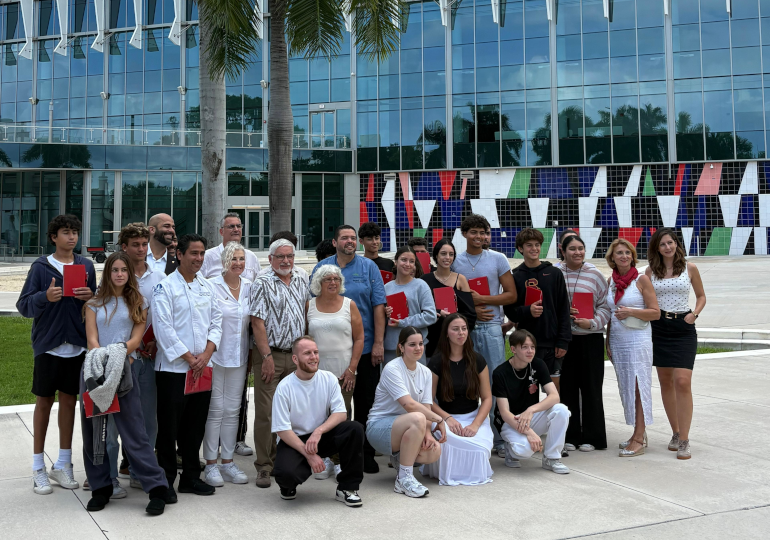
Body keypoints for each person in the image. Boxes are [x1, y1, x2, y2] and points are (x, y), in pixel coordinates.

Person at [81, 252, 170, 514]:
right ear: (107, 273)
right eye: (114, 270)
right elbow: (92, 340)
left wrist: (120, 357)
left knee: (136, 433)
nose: (119, 274)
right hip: (95, 373)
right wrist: (105, 362)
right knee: (95, 434)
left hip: (125, 371)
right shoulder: (94, 304)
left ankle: (156, 487)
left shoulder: (138, 302)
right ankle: (101, 487)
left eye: (123, 270)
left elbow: (136, 338)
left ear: (129, 274)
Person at [17, 214, 96, 495]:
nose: (72, 237)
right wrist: (43, 298)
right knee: (43, 403)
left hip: (77, 346)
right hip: (48, 346)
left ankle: (63, 463)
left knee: (68, 403)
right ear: (53, 237)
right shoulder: (41, 267)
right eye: (65, 232)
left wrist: (90, 297)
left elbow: (97, 304)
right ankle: (38, 467)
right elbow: (23, 306)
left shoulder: (86, 265)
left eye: (75, 231)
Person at [313, 225, 386, 474]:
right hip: (330, 355)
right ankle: (330, 455)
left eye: (353, 238)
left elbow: (378, 306)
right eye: (344, 238)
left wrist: (378, 343)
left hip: (364, 351)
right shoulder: (322, 268)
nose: (350, 241)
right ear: (335, 242)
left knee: (365, 404)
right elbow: (311, 303)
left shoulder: (369, 268)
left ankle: (364, 454)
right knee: (331, 408)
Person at [152, 233, 222, 496]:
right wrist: (189, 358)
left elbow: (217, 323)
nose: (199, 259)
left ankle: (191, 477)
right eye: (194, 253)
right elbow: (163, 328)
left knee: (195, 427)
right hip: (173, 370)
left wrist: (206, 354)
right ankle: (166, 481)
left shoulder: (207, 287)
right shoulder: (165, 287)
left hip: (203, 368)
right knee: (169, 429)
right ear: (179, 254)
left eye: (202, 253)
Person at [272, 336, 365, 506]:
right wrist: (310, 456)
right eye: (307, 353)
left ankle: (347, 487)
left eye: (315, 352)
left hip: (321, 437)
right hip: (295, 440)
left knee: (354, 429)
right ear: (295, 358)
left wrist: (318, 431)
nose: (314, 357)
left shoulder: (328, 378)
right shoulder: (284, 387)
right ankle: (288, 485)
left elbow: (341, 413)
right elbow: (282, 430)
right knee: (286, 476)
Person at [452, 214, 516, 457]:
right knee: (466, 382)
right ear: (464, 234)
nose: (479, 237)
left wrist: (483, 300)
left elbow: (510, 295)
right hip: (464, 327)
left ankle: (499, 437)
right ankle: (471, 432)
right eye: (474, 232)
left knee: (494, 382)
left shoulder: (497, 259)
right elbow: (451, 296)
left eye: (483, 232)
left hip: (491, 328)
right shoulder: (456, 262)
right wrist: (473, 309)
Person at [250, 239, 311, 488]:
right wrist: (265, 357)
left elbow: (306, 311)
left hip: (296, 355)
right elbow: (257, 322)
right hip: (271, 355)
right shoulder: (262, 282)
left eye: (290, 256)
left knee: (294, 411)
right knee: (266, 412)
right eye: (280, 257)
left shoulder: (302, 278)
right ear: (271, 258)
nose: (286, 261)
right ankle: (265, 466)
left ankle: (292, 459)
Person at [645, 228, 706, 460]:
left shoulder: (689, 268)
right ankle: (675, 432)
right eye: (662, 244)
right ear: (657, 248)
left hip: (683, 328)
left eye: (670, 242)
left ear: (676, 244)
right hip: (659, 328)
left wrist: (695, 315)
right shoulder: (651, 271)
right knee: (665, 382)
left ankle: (685, 439)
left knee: (683, 381)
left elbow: (701, 296)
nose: (667, 247)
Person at [367, 327, 444, 498]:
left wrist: (428, 434)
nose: (418, 348)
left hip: (409, 426)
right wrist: (440, 420)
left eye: (421, 344)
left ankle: (400, 460)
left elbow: (426, 407)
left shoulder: (425, 372)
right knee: (417, 417)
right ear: (401, 347)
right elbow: (409, 405)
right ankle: (403, 479)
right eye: (412, 345)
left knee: (434, 450)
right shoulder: (392, 368)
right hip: (379, 428)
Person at [306, 264, 365, 479]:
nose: (333, 282)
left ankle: (340, 460)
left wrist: (352, 369)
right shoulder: (309, 306)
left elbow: (359, 338)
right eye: (327, 279)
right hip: (316, 374)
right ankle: (323, 459)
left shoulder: (349, 305)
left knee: (341, 416)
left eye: (336, 279)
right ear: (318, 283)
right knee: (319, 417)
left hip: (343, 372)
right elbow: (304, 339)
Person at [201, 242, 252, 487]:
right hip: (214, 357)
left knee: (233, 411)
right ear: (224, 261)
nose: (238, 263)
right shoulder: (210, 286)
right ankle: (210, 464)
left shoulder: (250, 288)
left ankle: (228, 462)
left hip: (239, 357)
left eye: (242, 259)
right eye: (234, 259)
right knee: (215, 410)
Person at [118, 223, 165, 486]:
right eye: (135, 244)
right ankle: (122, 465)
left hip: (150, 354)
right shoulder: (117, 275)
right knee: (121, 416)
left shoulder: (158, 277)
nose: (141, 249)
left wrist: (156, 340)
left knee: (148, 416)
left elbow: (163, 315)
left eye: (144, 244)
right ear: (124, 247)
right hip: (123, 355)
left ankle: (141, 469)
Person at [422, 314, 493, 486]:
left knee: (478, 449)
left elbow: (487, 398)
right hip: (444, 418)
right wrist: (446, 418)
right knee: (445, 443)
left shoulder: (477, 360)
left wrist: (475, 424)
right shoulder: (437, 362)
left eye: (464, 329)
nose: (461, 333)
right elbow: (428, 401)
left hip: (473, 417)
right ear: (446, 333)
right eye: (455, 329)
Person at [555, 234, 611, 452]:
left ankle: (593, 436)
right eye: (572, 249)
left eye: (581, 248)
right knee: (566, 389)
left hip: (590, 339)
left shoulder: (594, 274)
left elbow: (606, 307)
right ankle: (570, 436)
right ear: (563, 250)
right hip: (565, 340)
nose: (577, 252)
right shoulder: (555, 274)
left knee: (592, 388)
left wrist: (592, 323)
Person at [605, 239, 660, 458]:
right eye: (619, 253)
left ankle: (639, 437)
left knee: (638, 385)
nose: (624, 256)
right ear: (612, 257)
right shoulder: (611, 281)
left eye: (627, 253)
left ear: (633, 256)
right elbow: (610, 314)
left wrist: (631, 312)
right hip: (619, 340)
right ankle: (637, 431)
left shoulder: (641, 280)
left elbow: (655, 312)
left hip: (638, 339)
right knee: (627, 386)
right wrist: (607, 341)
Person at [493, 330, 570, 474]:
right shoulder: (500, 373)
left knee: (561, 410)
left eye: (532, 347)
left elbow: (554, 396)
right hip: (510, 422)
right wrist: (530, 433)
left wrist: (531, 410)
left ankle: (551, 458)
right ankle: (510, 451)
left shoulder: (538, 364)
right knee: (525, 451)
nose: (530, 351)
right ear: (513, 349)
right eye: (525, 347)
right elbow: (504, 413)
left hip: (530, 417)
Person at [505, 228, 571, 394]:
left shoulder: (554, 273)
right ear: (520, 249)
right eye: (529, 245)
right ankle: (529, 420)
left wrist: (562, 341)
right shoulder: (516, 276)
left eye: (537, 245)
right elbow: (510, 311)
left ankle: (554, 420)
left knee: (553, 391)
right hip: (526, 343)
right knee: (528, 389)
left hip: (551, 341)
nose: (534, 249)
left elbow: (563, 309)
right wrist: (528, 311)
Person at [419, 239, 477, 359]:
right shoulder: (425, 280)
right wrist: (438, 313)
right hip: (432, 337)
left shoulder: (460, 279)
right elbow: (420, 309)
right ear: (436, 255)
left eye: (451, 254)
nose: (447, 257)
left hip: (455, 339)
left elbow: (470, 313)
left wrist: (454, 321)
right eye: (443, 253)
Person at [383, 246, 437, 364]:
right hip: (391, 347)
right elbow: (381, 319)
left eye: (411, 261)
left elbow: (431, 315)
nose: (407, 264)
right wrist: (385, 313)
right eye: (404, 260)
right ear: (396, 262)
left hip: (415, 347)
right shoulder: (386, 288)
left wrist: (403, 322)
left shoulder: (421, 285)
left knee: (416, 381)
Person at [201, 213, 261, 282]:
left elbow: (258, 284)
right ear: (221, 231)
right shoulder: (207, 257)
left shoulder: (251, 257)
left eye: (238, 226)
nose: (236, 229)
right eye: (231, 226)